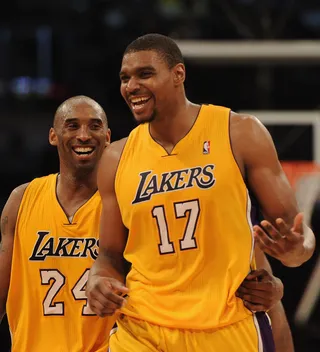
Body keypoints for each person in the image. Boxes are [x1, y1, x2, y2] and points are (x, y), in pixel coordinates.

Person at [86, 33, 313, 351]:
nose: (131, 86)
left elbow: (300, 241)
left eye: (145, 74)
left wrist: (293, 250)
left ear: (178, 74)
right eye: (125, 78)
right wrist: (99, 278)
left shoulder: (240, 133)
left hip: (225, 325)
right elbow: (109, 254)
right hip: (142, 329)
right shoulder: (115, 157)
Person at [0, 95, 115, 352]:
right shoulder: (21, 200)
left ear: (108, 137)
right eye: (72, 125)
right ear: (53, 136)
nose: (84, 135)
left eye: (94, 126)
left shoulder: (121, 205)